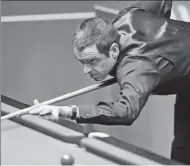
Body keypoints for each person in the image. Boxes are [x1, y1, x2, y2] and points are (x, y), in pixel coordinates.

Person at [29, 1, 190, 164]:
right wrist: (164, 38)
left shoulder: (136, 67)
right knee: (183, 147)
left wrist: (70, 111)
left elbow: (126, 110)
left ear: (113, 50)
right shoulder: (127, 16)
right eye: (82, 62)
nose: (86, 70)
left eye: (92, 61)